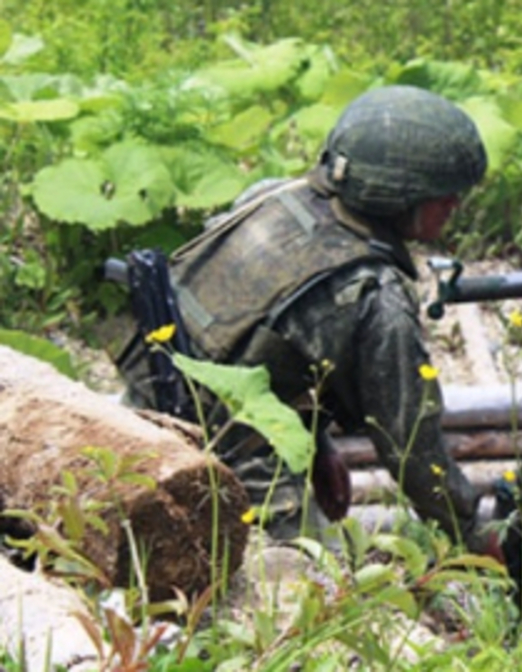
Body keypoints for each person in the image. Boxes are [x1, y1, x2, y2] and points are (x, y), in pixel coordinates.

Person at [117, 85, 495, 547]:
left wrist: (317, 447)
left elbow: (266, 344)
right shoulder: (376, 295)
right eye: (444, 197)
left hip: (136, 408)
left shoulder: (274, 197)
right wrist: (471, 535)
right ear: (399, 195)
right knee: (318, 596)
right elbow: (412, 448)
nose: (454, 206)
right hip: (230, 464)